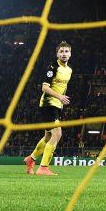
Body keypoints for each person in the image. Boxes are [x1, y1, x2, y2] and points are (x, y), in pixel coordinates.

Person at [24, 41, 73, 176]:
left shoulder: (69, 70)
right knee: (57, 134)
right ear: (57, 54)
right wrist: (60, 97)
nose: (64, 54)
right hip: (48, 103)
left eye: (66, 51)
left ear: (70, 53)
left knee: (48, 136)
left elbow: (63, 87)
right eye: (61, 51)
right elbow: (45, 88)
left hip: (57, 105)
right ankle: (43, 168)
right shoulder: (52, 68)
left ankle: (31, 159)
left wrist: (61, 100)